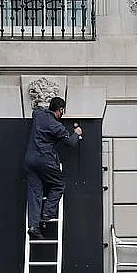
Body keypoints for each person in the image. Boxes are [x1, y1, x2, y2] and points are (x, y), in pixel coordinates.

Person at [24, 96, 82, 239]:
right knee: (59, 184)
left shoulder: (39, 115)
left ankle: (33, 226)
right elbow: (69, 142)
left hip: (29, 159)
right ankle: (47, 213)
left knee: (35, 192)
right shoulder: (56, 126)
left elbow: (36, 110)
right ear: (60, 110)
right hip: (45, 160)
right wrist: (76, 134)